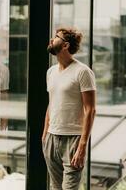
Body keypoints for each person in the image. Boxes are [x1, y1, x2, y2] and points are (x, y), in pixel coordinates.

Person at [42, 27, 96, 190]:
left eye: (56, 37)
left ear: (65, 45)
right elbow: (51, 104)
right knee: (55, 187)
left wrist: (82, 145)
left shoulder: (83, 72)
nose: (52, 40)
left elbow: (90, 109)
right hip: (52, 137)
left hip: (73, 139)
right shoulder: (51, 72)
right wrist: (45, 134)